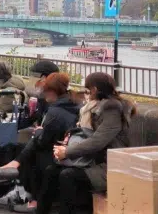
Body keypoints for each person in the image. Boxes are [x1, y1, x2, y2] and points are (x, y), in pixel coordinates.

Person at [38, 72, 133, 214]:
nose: (86, 94)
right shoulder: (93, 108)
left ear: (94, 89)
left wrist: (67, 152)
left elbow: (97, 141)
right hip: (92, 159)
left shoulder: (112, 110)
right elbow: (84, 134)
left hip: (109, 165)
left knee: (68, 176)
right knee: (51, 171)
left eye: (87, 90)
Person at [0, 72, 80, 210]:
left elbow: (43, 141)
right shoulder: (72, 104)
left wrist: (39, 132)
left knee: (31, 150)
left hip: (59, 152)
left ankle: (30, 196)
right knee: (28, 145)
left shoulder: (55, 111)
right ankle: (17, 176)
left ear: (52, 91)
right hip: (65, 147)